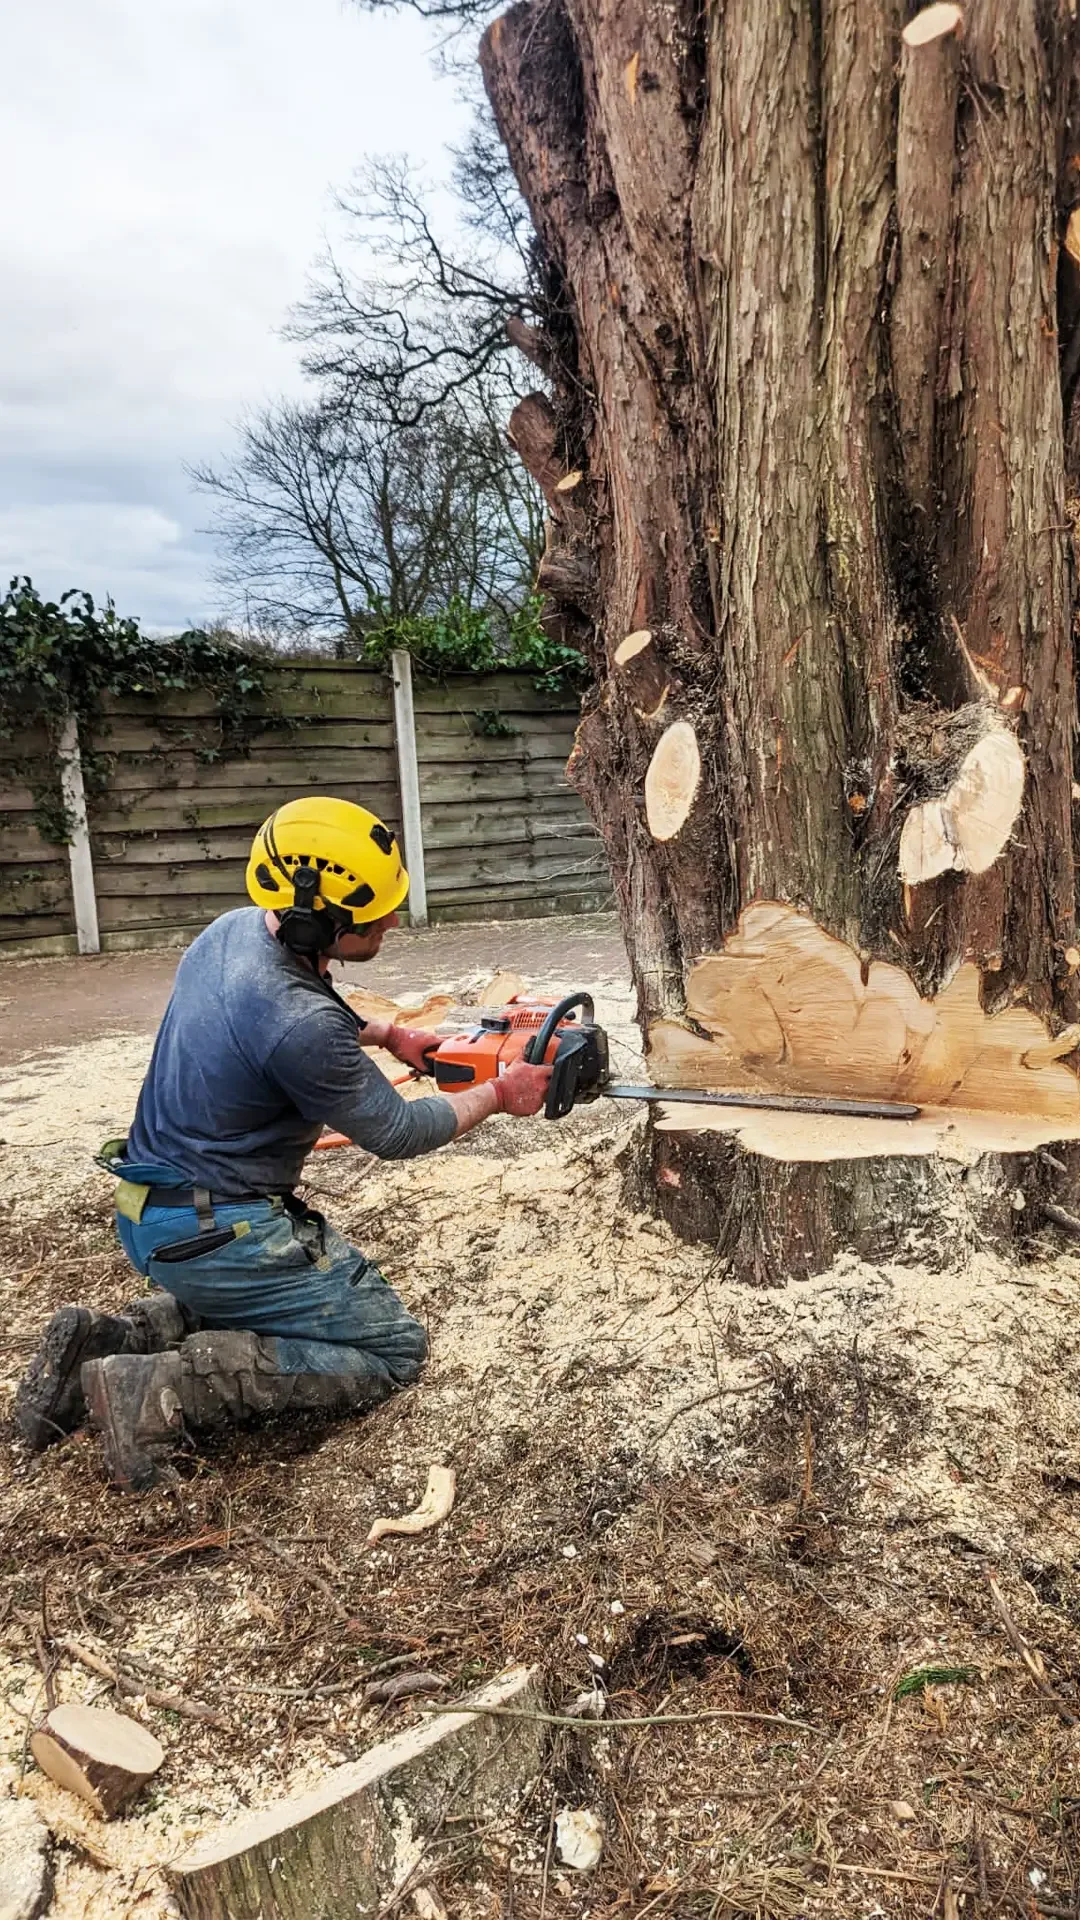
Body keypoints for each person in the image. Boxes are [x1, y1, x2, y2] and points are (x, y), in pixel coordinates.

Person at [15, 797, 551, 1490]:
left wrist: (387, 1033)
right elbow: (397, 1130)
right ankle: (151, 1390)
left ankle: (112, 1339)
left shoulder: (233, 932)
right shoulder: (302, 1027)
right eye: (373, 914)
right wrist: (501, 1094)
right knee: (391, 1348)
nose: (389, 921)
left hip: (154, 1209)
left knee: (281, 1298)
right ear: (313, 920)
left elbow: (282, 1007)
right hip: (219, 1229)